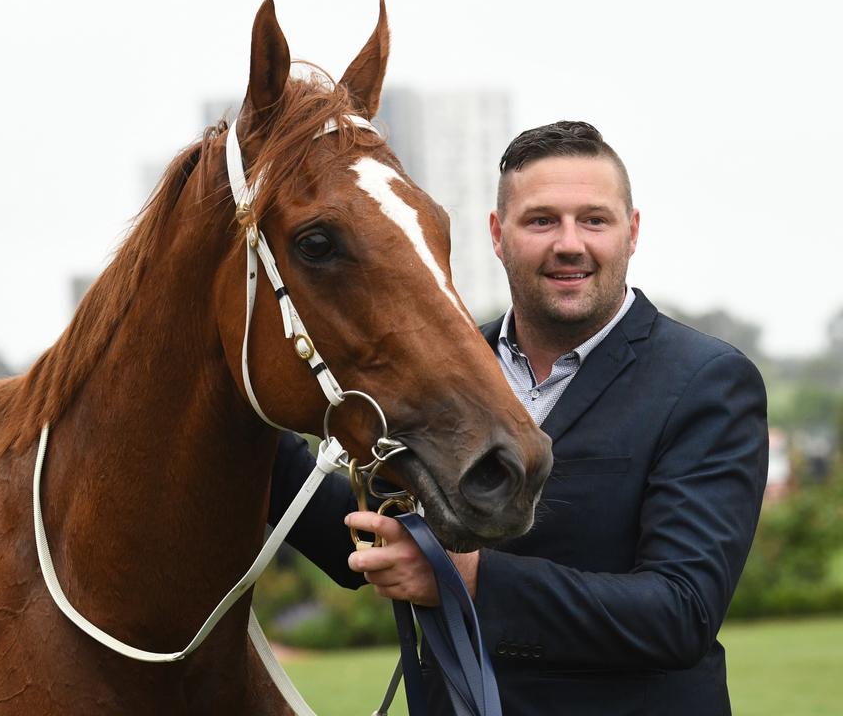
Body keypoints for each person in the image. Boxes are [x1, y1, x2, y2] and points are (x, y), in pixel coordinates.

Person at [268, 121, 768, 716]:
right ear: (497, 235)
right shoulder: (441, 378)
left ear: (631, 233)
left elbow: (681, 612)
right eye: (541, 220)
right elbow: (372, 535)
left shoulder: (708, 381)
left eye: (594, 219)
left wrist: (471, 580)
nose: (569, 243)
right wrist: (250, 441)